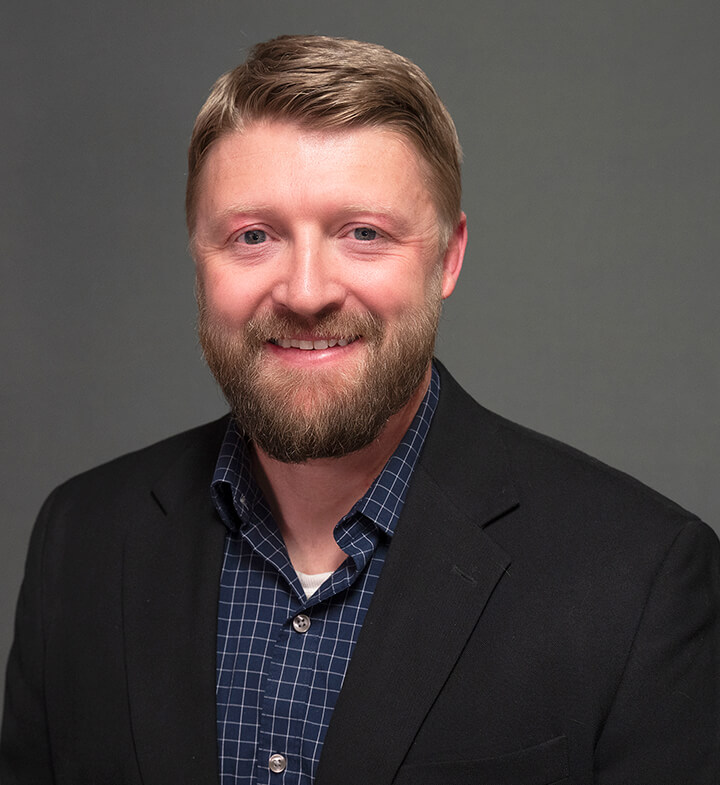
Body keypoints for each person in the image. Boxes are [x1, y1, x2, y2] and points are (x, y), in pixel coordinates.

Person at [2, 34, 718, 785]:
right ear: (197, 257)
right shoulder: (78, 542)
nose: (307, 291)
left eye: (363, 234)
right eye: (253, 236)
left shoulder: (639, 581)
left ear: (448, 257)